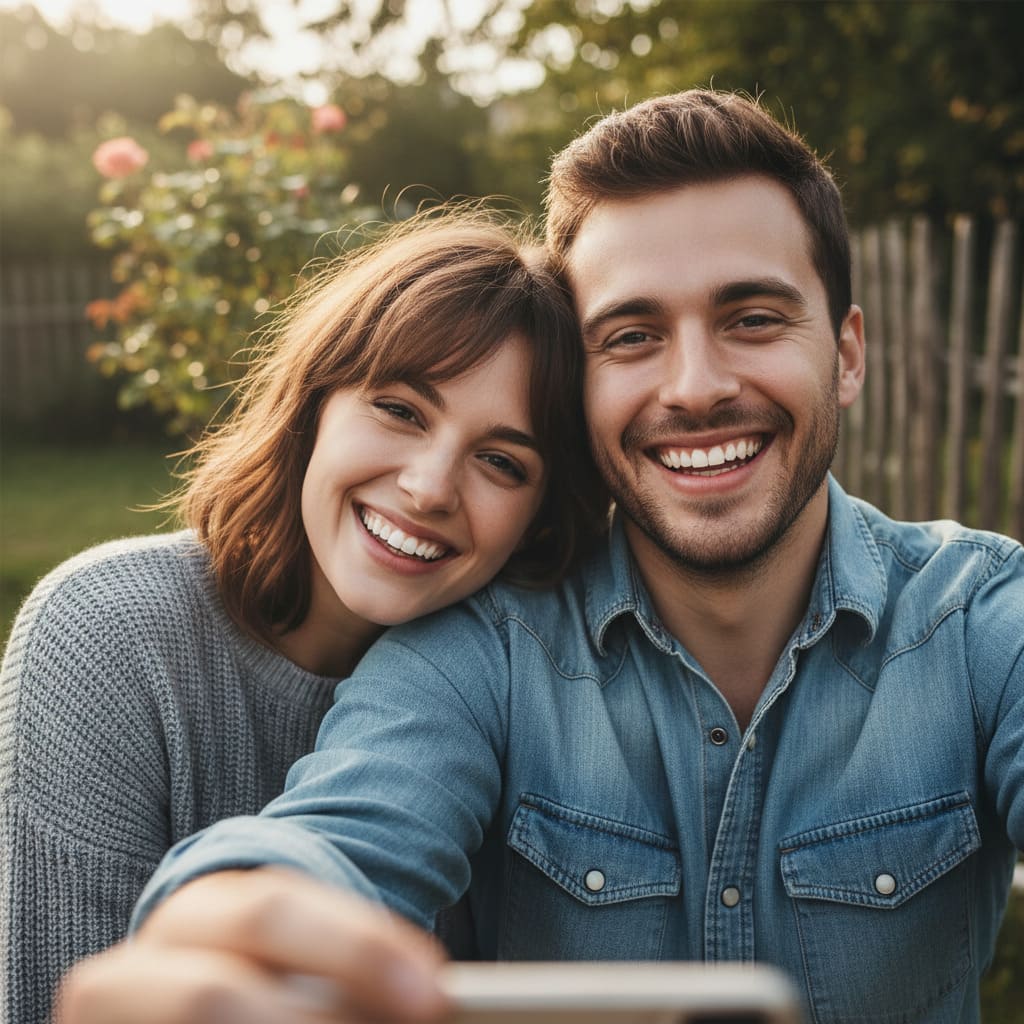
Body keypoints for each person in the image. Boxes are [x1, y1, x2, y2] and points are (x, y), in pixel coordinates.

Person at [56, 89, 1023, 1024]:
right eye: (632, 336)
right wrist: (236, 914)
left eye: (753, 319)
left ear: (847, 355)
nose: (694, 387)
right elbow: (344, 830)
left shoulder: (982, 621)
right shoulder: (481, 649)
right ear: (579, 389)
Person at [0, 210, 607, 1024]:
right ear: (316, 402)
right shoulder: (108, 634)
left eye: (500, 461)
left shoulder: (525, 682)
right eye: (401, 410)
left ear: (538, 518)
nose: (429, 487)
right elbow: (61, 998)